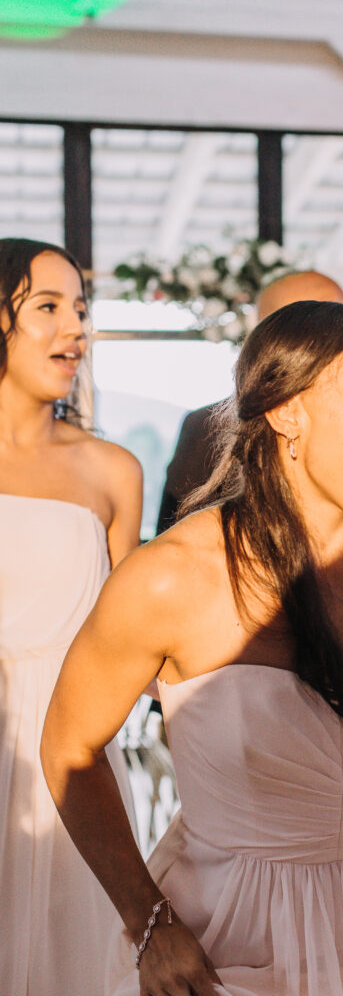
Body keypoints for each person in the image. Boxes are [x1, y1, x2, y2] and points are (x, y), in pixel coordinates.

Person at [42, 300, 343, 996]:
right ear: (287, 411)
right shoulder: (167, 580)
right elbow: (70, 749)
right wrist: (149, 921)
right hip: (227, 932)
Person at [0, 237, 142, 994]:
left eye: (81, 310)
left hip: (76, 757)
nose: (75, 330)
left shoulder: (112, 469)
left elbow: (134, 640)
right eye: (48, 307)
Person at [156, 270, 343, 532]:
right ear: (265, 335)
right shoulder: (207, 427)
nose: (335, 335)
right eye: (312, 323)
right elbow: (172, 539)